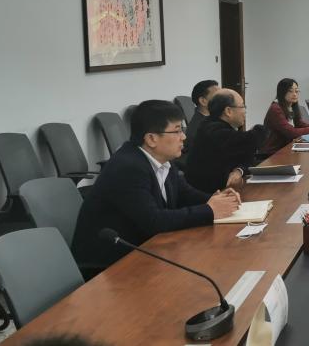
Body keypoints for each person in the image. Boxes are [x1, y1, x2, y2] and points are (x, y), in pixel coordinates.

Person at [71, 100, 241, 268]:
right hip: (109, 265)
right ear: (151, 139)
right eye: (177, 131)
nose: (183, 137)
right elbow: (154, 221)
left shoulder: (162, 159)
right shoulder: (128, 168)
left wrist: (216, 199)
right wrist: (209, 210)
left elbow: (184, 193)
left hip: (145, 249)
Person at [186, 89, 268, 194]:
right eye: (243, 106)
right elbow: (254, 139)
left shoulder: (217, 124)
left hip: (223, 190)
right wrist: (257, 128)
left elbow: (247, 156)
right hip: (208, 195)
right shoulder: (213, 130)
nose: (245, 111)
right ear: (228, 111)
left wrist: (239, 171)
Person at [261, 78, 309, 154]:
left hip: (287, 147)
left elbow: (299, 124)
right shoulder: (276, 109)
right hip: (273, 153)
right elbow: (291, 132)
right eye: (290, 91)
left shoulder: (290, 106)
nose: (294, 94)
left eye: (296, 91)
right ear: (282, 92)